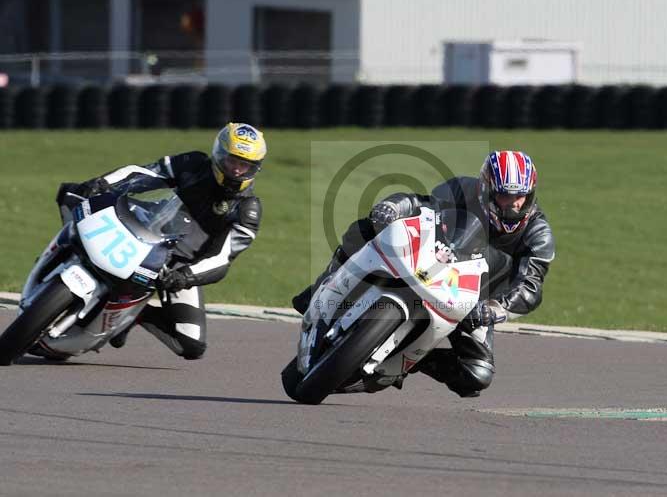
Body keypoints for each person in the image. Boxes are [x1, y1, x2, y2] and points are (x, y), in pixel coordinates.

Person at [292, 150, 555, 397]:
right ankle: (321, 287)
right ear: (486, 189)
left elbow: (531, 285)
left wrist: (497, 307)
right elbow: (423, 204)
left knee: (477, 374)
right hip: (437, 257)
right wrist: (394, 207)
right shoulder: (462, 189)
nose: (513, 205)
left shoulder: (538, 234)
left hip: (477, 299)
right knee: (366, 228)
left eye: (520, 197)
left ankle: (410, 359)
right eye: (504, 196)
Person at [41, 123, 266, 361]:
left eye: (245, 165)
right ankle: (60, 257)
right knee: (72, 195)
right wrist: (103, 183)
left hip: (177, 266)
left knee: (190, 344)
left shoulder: (248, 209)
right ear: (219, 154)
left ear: (255, 168)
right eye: (233, 161)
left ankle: (133, 315)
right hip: (146, 229)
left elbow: (222, 258)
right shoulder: (194, 163)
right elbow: (147, 173)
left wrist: (185, 276)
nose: (237, 170)